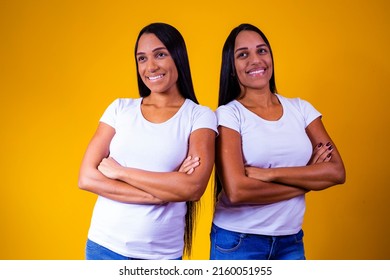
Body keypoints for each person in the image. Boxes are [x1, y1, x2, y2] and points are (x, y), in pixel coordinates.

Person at [78, 22, 217, 260]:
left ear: (178, 56)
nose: (150, 67)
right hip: (104, 248)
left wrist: (121, 172)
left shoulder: (199, 116)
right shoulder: (119, 109)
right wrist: (162, 193)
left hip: (161, 257)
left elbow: (193, 188)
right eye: (142, 59)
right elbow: (87, 178)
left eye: (160, 55)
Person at [209, 23, 346, 260]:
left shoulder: (302, 109)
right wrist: (310, 176)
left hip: (291, 241)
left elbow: (336, 172)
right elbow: (237, 191)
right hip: (239, 241)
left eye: (262, 51)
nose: (255, 60)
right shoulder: (228, 114)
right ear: (232, 67)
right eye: (243, 54)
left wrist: (270, 174)